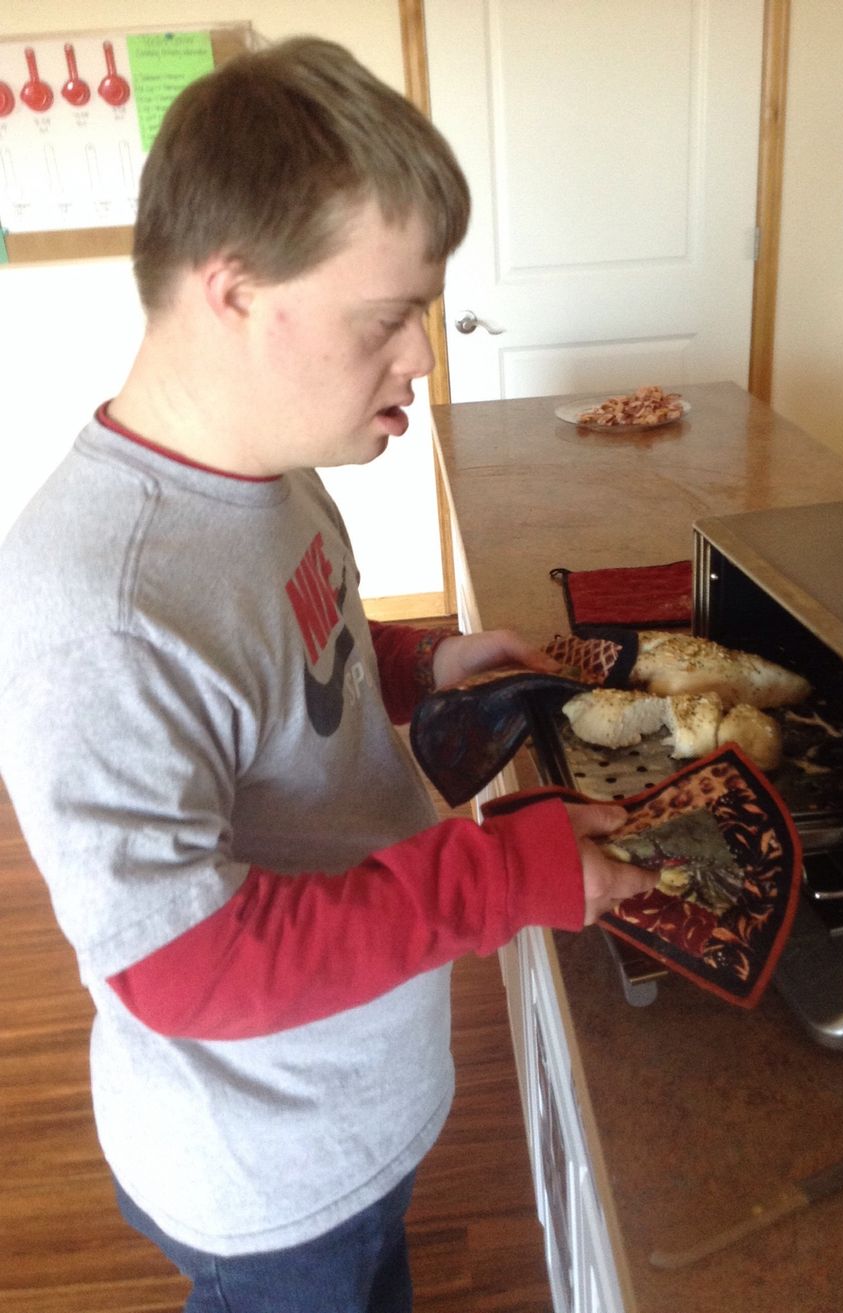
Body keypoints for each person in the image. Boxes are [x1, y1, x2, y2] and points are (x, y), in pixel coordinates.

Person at [0, 37, 653, 1313]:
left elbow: (296, 663)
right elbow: (182, 961)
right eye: (385, 317)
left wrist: (419, 660)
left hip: (346, 1107)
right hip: (263, 1168)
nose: (419, 354)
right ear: (233, 291)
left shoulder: (267, 475)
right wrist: (502, 874)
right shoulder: (101, 610)